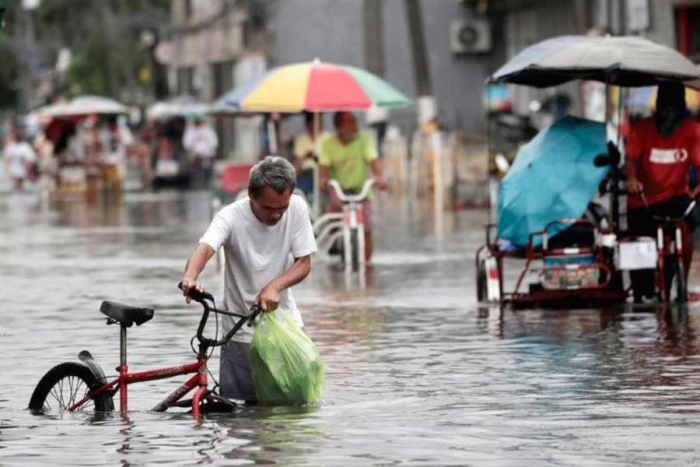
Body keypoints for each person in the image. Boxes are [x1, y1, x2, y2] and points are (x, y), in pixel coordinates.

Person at [180, 156, 316, 403]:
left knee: (296, 406)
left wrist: (274, 286)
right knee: (241, 416)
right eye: (268, 208)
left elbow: (304, 263)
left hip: (285, 326)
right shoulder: (230, 216)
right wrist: (190, 277)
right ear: (251, 196)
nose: (276, 214)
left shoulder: (297, 207)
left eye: (281, 208)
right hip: (239, 330)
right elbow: (205, 248)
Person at [625, 82, 700, 302]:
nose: (668, 114)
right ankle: (642, 288)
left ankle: (682, 284)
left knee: (688, 226)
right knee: (638, 242)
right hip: (643, 198)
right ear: (657, 109)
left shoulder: (693, 130)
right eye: (664, 109)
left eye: (673, 109)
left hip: (677, 196)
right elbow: (630, 159)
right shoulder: (641, 128)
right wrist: (632, 179)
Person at [319, 111, 387, 261]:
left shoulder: (364, 140)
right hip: (339, 190)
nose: (355, 126)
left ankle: (367, 265)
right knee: (334, 209)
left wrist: (380, 178)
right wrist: (323, 179)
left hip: (361, 190)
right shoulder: (328, 144)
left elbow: (373, 160)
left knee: (367, 229)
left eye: (354, 122)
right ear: (339, 127)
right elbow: (323, 167)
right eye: (350, 123)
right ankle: (335, 239)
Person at [293, 112, 328, 197]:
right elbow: (298, 160)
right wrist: (307, 154)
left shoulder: (327, 138)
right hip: (306, 172)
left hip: (323, 171)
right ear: (308, 123)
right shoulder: (301, 139)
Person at [183, 117, 218, 186]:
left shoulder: (208, 130)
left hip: (207, 155)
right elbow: (186, 144)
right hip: (195, 156)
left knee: (207, 170)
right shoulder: (190, 130)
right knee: (193, 171)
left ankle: (207, 182)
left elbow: (214, 143)